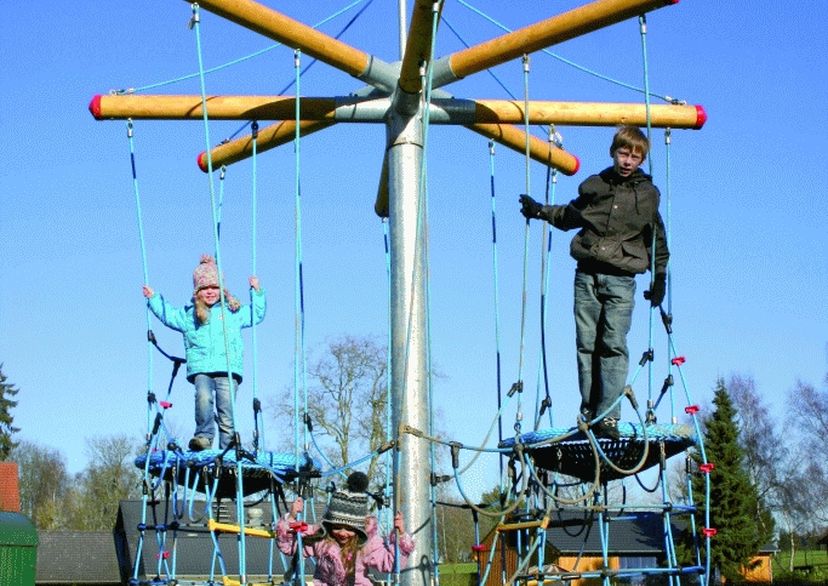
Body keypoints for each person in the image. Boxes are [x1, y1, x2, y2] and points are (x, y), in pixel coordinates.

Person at [519, 125, 669, 440]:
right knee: (586, 344)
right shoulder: (596, 186)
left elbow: (657, 239)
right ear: (614, 152)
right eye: (624, 153)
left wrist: (660, 279)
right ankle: (590, 412)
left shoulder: (647, 195)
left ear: (641, 159)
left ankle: (608, 417)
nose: (628, 161)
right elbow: (571, 216)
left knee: (612, 344)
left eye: (635, 156)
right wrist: (540, 211)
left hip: (621, 278)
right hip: (586, 273)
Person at [142, 254, 266, 451]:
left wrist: (257, 292)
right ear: (197, 291)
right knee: (203, 399)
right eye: (205, 288)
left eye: (214, 288)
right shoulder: (190, 315)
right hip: (201, 368)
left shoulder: (233, 312)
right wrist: (153, 299)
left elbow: (256, 314)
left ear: (222, 290)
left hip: (228, 367)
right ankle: (204, 437)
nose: (210, 292)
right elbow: (169, 316)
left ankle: (228, 446)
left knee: (226, 408)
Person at [277, 471, 415, 586]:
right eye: (337, 527)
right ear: (330, 525)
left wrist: (401, 535)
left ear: (359, 528)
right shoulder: (321, 537)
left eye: (349, 529)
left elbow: (391, 564)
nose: (342, 533)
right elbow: (289, 546)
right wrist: (292, 516)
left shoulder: (367, 544)